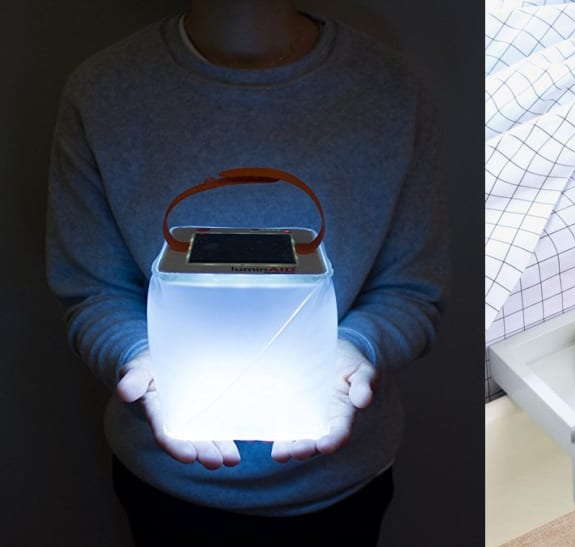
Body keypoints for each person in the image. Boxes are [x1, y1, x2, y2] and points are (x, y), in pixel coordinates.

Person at [45, 1, 445, 544]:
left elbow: (411, 291)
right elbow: (93, 291)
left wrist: (357, 350)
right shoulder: (102, 90)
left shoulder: (391, 88)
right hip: (167, 489)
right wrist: (135, 357)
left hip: (341, 488)